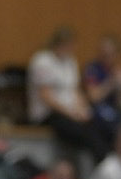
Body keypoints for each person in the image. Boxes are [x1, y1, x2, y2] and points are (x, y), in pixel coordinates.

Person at [27, 27, 101, 157]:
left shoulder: (70, 62)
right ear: (58, 44)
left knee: (98, 124)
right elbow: (46, 96)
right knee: (83, 134)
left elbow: (75, 90)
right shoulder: (42, 60)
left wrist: (84, 109)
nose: (71, 49)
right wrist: (71, 113)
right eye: (68, 45)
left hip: (69, 112)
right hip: (49, 114)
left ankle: (106, 159)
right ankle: (104, 160)